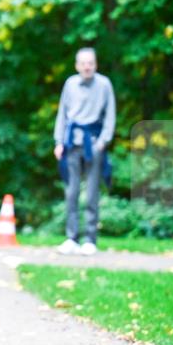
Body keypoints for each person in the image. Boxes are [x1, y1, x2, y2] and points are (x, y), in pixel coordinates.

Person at [53, 47, 116, 257]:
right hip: (72, 144)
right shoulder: (70, 84)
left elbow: (110, 115)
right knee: (71, 192)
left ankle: (90, 239)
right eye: (83, 63)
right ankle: (72, 238)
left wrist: (103, 141)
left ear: (95, 64)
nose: (87, 66)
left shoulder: (104, 84)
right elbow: (62, 113)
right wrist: (59, 141)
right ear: (77, 65)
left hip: (94, 143)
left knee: (91, 193)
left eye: (91, 63)